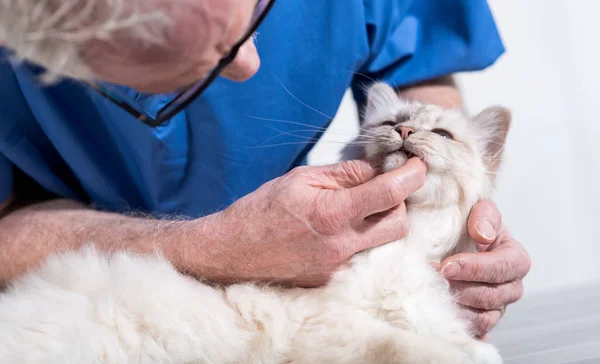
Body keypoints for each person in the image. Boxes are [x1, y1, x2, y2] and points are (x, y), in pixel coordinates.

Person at [0, 0, 530, 339]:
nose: (252, 64)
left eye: (255, 11)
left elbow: (421, 58)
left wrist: (457, 210)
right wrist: (214, 248)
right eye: (203, 57)